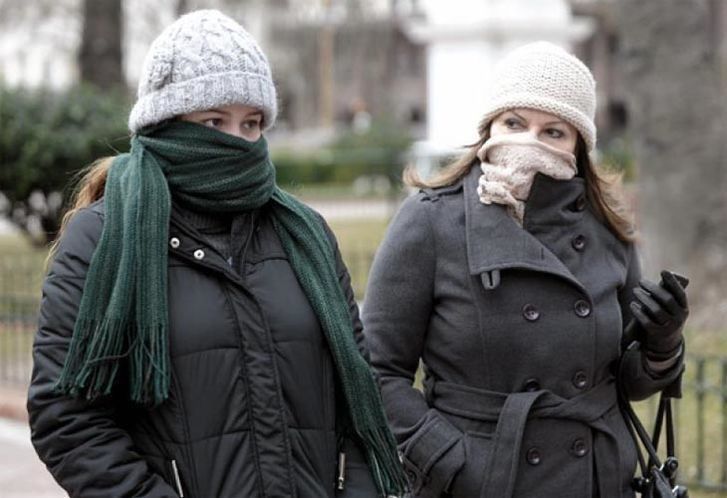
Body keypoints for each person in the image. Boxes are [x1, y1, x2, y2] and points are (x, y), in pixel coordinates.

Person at [27, 10, 406, 498]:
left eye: (251, 123)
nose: (237, 141)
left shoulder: (305, 235)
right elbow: (68, 418)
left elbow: (358, 390)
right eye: (213, 120)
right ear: (166, 125)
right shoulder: (102, 239)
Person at [362, 42, 689, 498]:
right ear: (489, 128)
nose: (530, 143)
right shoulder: (430, 221)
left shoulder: (608, 229)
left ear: (578, 144)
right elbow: (376, 370)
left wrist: (662, 343)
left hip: (595, 479)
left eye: (553, 131)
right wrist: (449, 459)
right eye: (515, 123)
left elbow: (627, 383)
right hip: (482, 481)